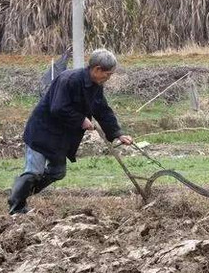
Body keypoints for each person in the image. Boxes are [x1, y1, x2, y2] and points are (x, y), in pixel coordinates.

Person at [8, 49, 133, 214]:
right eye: (108, 74)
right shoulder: (69, 79)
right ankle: (16, 208)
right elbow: (58, 108)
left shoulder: (95, 86)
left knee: (57, 172)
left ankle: (19, 193)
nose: (108, 78)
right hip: (42, 132)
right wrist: (81, 120)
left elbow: (102, 110)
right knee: (34, 172)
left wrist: (117, 134)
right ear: (97, 69)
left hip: (59, 137)